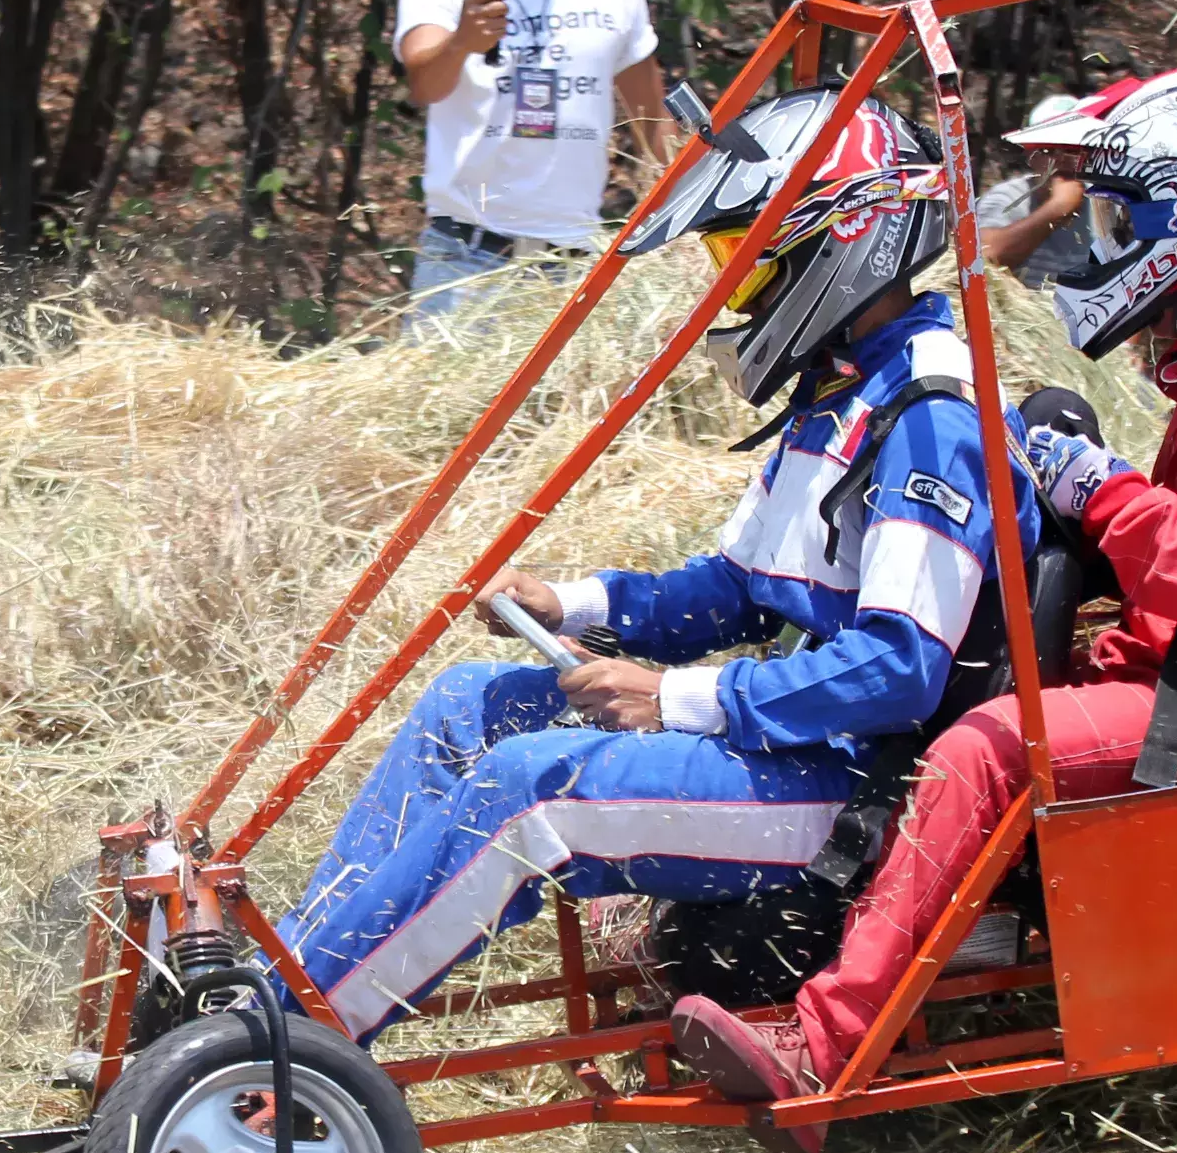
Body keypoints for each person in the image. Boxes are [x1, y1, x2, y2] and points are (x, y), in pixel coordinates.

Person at [671, 64, 1177, 1153]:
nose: (1103, 242)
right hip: (1171, 681)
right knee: (979, 680)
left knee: (988, 747)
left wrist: (1097, 485)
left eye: (1118, 216)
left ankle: (826, 1041)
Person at [276, 91, 1038, 1042]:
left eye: (741, 256)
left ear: (840, 240)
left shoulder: (931, 412)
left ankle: (282, 1054)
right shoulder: (841, 391)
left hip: (862, 797)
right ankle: (289, 975)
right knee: (468, 704)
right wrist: (572, 600)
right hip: (792, 752)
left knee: (532, 788)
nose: (729, 287)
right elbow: (731, 590)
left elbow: (897, 669)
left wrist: (675, 699)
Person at [393, 0, 671, 326]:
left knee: (563, 413)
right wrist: (461, 42)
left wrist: (688, 228)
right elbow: (424, 84)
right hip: (464, 261)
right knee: (457, 412)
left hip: (572, 267)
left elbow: (653, 126)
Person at [978, 88, 1129, 283]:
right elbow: (984, 259)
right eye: (1049, 150)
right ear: (1031, 156)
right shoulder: (1007, 198)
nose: (1062, 159)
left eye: (1073, 149)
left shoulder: (1109, 204)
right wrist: (1058, 208)